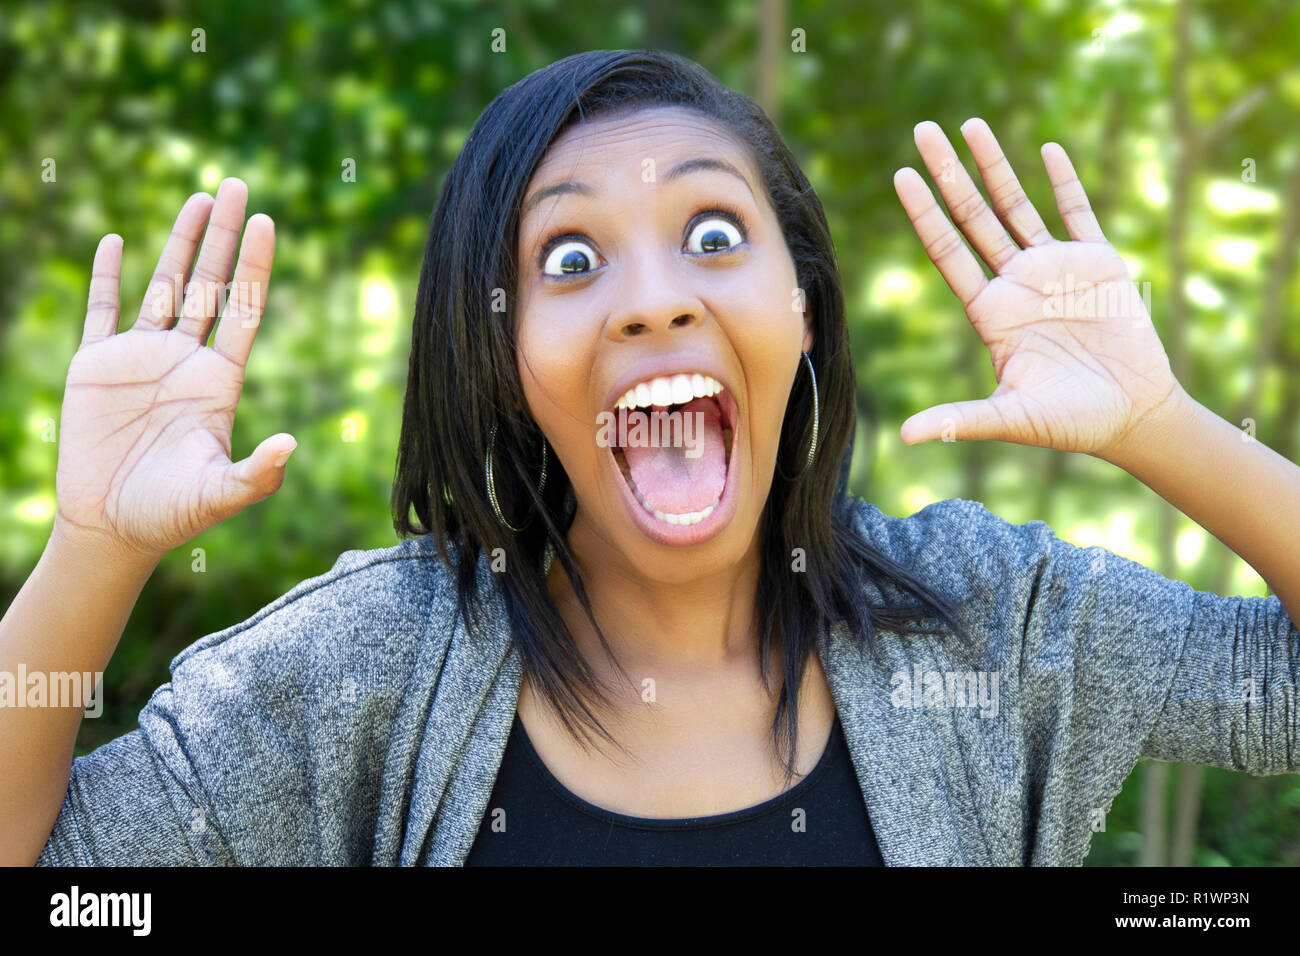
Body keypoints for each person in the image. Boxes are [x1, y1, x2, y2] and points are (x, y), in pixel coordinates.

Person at [3, 49, 1297, 867]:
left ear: (803, 307)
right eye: (570, 258)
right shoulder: (358, 672)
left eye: (716, 233)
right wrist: (96, 549)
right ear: (501, 351)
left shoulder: (990, 622)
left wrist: (1157, 425)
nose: (652, 299)